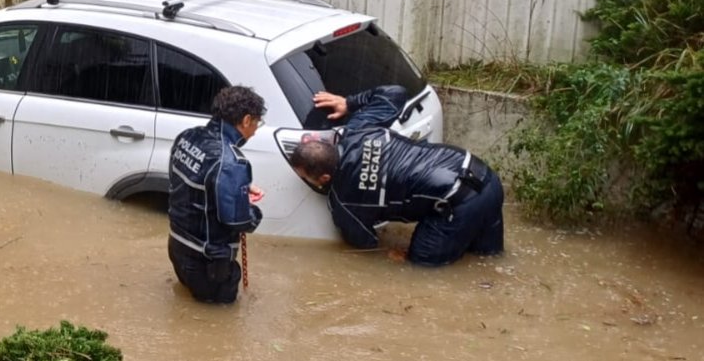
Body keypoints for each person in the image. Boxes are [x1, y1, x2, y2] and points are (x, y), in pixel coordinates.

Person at [290, 85, 504, 266]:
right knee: (489, 260)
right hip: (485, 175)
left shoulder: (344, 202)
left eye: (305, 178)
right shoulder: (359, 129)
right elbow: (395, 92)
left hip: (460, 201)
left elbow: (364, 244)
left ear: (324, 179)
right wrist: (349, 103)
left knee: (420, 264)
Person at [168, 85, 266, 303]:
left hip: (177, 248)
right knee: (220, 321)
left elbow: (188, 184)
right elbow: (237, 221)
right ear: (246, 120)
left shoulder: (187, 137)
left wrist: (238, 189)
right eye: (257, 123)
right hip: (209, 264)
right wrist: (252, 210)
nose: (256, 130)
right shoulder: (232, 162)